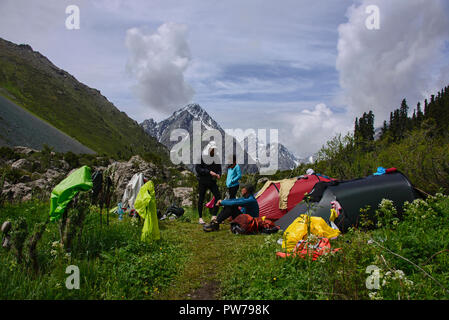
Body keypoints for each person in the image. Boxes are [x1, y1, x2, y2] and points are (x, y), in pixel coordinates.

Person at [195, 144, 222, 225]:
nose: (213, 151)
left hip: (212, 181)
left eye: (214, 150)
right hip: (203, 181)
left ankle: (214, 216)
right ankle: (200, 218)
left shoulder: (216, 158)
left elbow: (219, 169)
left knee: (218, 196)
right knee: (201, 198)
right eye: (212, 150)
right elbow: (198, 169)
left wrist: (219, 174)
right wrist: (209, 172)